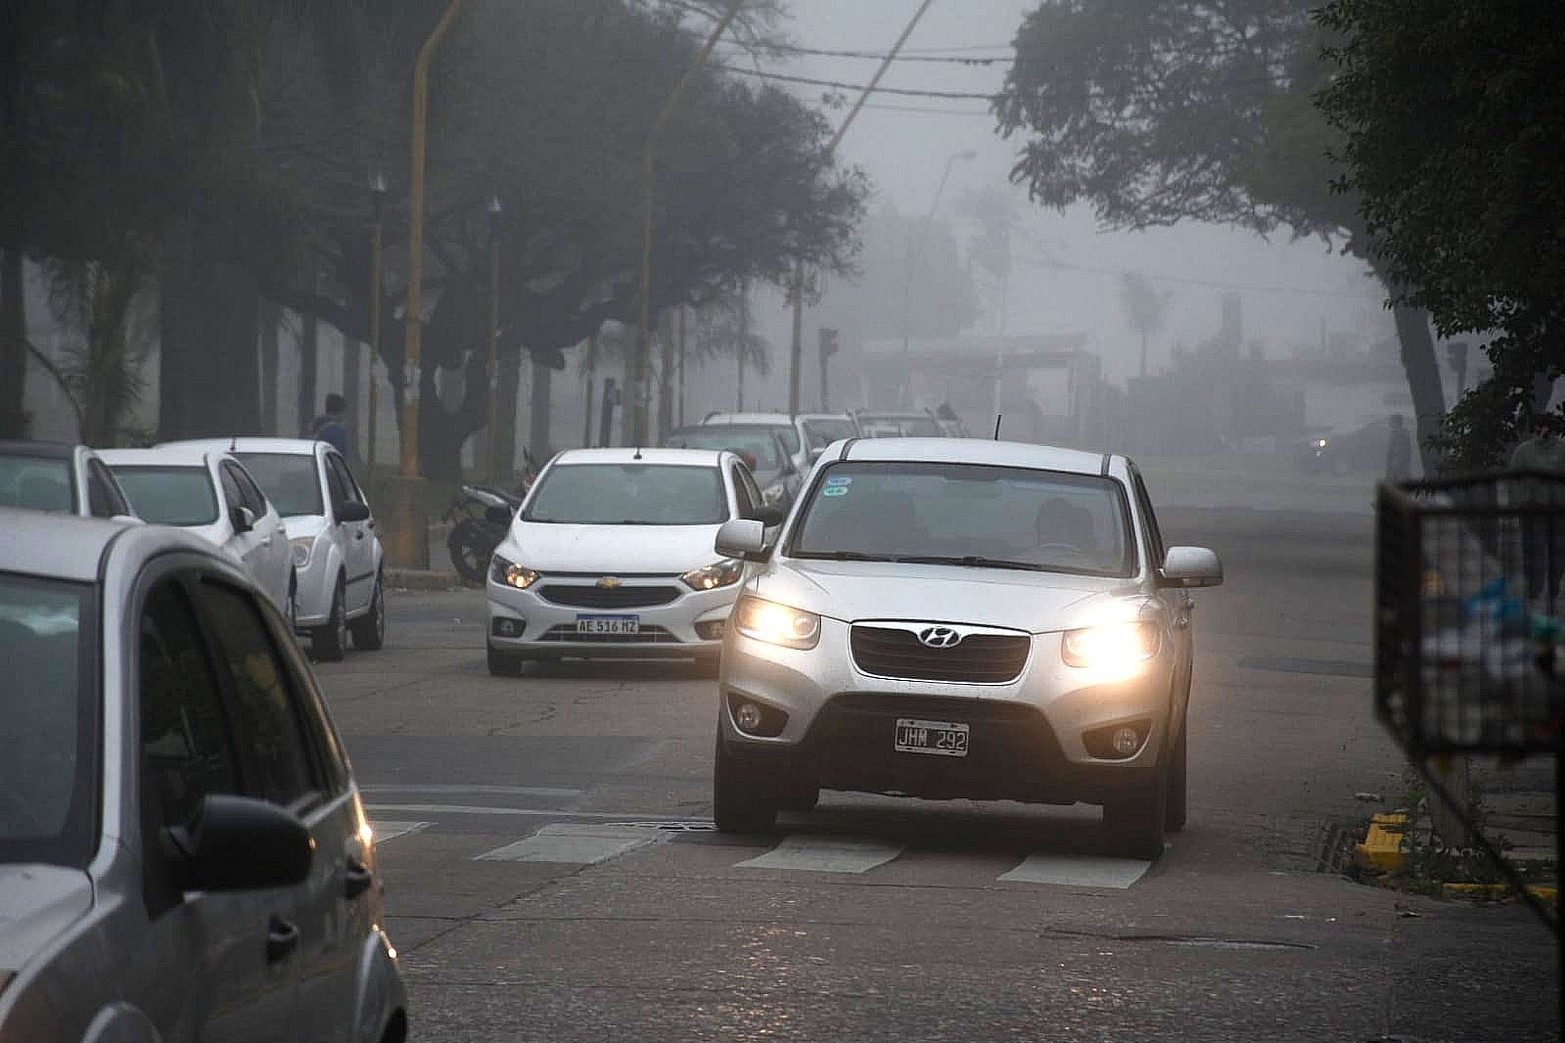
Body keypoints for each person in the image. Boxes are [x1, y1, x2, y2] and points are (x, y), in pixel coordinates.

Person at [1509, 415, 1565, 600]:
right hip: (1531, 508)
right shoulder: (1524, 451)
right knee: (1533, 550)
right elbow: (1513, 480)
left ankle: (1553, 585)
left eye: (1548, 428)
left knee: (1558, 550)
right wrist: (1520, 502)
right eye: (1540, 427)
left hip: (1558, 509)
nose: (1544, 432)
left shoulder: (1563, 449)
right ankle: (1533, 587)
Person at [1385, 413, 1413, 481]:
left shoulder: (1398, 433)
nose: (1389, 423)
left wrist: (1392, 459)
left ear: (1396, 422)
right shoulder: (1403, 432)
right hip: (1399, 459)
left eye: (1391, 421)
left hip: (1398, 459)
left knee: (1398, 476)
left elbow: (1396, 447)